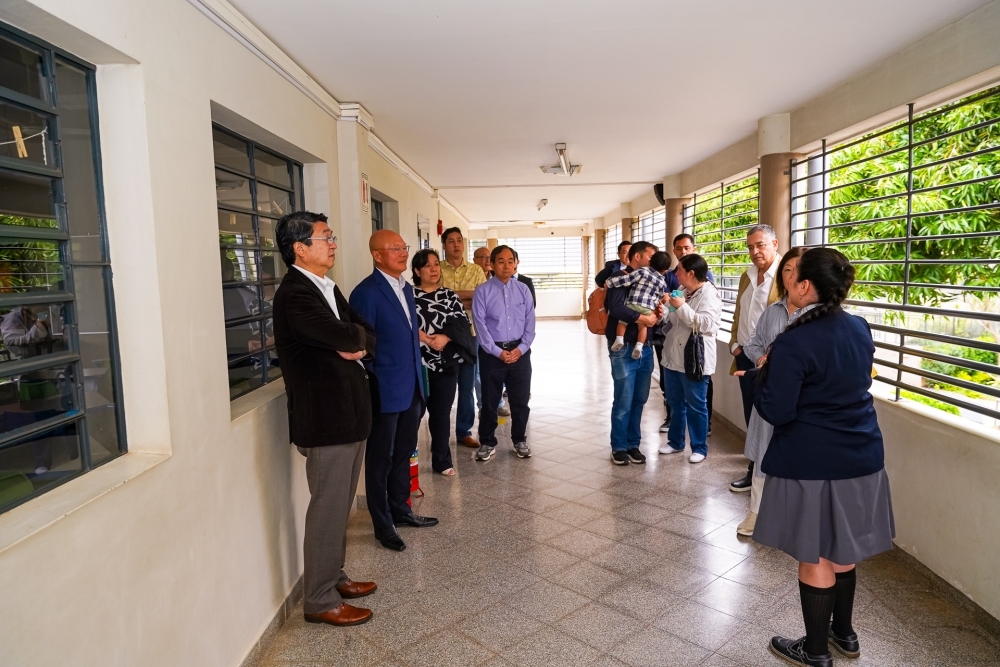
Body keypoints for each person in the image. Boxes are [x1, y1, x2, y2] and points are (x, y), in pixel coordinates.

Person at [743, 248, 894, 667]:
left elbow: (777, 410)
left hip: (811, 462)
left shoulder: (793, 340)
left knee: (815, 557)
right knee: (842, 551)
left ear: (805, 286)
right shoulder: (860, 328)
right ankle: (844, 635)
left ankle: (814, 652)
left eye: (793, 275)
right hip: (862, 456)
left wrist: (760, 376)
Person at [272, 210, 377, 627]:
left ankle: (333, 578)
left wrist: (357, 344)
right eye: (325, 237)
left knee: (341, 507)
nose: (333, 243)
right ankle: (318, 601)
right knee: (328, 510)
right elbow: (346, 335)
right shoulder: (296, 295)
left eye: (331, 236)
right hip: (327, 420)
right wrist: (351, 341)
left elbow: (364, 331)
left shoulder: (327, 287)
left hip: (348, 415)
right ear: (300, 248)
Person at [350, 230, 439, 553]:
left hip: (411, 386)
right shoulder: (366, 293)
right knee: (380, 458)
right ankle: (382, 522)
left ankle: (401, 510)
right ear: (377, 255)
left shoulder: (405, 288)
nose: (403, 253)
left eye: (404, 247)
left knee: (404, 452)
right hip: (385, 390)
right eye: (395, 249)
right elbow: (364, 346)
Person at [734, 247, 803, 537]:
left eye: (799, 270)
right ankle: (755, 511)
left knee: (796, 455)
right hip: (770, 393)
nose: (792, 276)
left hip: (801, 400)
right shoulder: (772, 312)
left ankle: (795, 515)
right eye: (787, 270)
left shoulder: (817, 313)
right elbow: (754, 344)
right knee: (763, 452)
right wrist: (760, 357)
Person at [411, 249, 477, 476]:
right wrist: (420, 335)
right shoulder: (407, 295)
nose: (433, 269)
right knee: (413, 415)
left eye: (435, 265)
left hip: (445, 363)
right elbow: (399, 322)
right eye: (427, 266)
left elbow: (462, 326)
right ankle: (407, 463)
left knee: (440, 414)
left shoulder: (449, 296)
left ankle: (442, 460)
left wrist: (445, 337)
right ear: (417, 270)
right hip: (416, 366)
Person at [728, 224, 782, 493]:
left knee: (770, 417)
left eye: (760, 245)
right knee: (752, 415)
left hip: (770, 362)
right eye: (750, 246)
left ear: (775, 243)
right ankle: (754, 470)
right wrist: (735, 345)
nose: (755, 251)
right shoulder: (747, 276)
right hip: (745, 357)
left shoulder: (786, 276)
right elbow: (740, 314)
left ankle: (771, 475)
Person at [471, 245, 536, 461]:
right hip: (492, 354)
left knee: (520, 400)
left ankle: (519, 439)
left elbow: (530, 324)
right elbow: (480, 326)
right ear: (492, 264)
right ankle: (487, 442)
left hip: (520, 352)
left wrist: (520, 349)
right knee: (489, 402)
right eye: (501, 261)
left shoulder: (523, 290)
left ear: (516, 263)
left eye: (510, 261)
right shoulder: (483, 291)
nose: (506, 265)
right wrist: (498, 352)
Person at [657, 253, 722, 463]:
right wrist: (663, 311)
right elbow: (673, 321)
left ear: (691, 273)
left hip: (695, 359)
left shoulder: (709, 294)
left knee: (696, 405)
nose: (675, 273)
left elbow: (706, 324)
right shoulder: (684, 291)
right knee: (675, 402)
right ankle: (675, 442)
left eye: (679, 270)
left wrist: (682, 306)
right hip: (673, 357)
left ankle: (699, 448)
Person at [604, 241, 659, 465]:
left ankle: (633, 444)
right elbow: (616, 309)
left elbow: (657, 303)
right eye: (650, 257)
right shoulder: (622, 278)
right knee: (624, 399)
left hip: (645, 347)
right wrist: (642, 318)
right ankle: (618, 446)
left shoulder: (652, 278)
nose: (653, 262)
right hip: (624, 348)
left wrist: (658, 313)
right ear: (637, 257)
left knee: (639, 399)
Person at [439, 227, 487, 449]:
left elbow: (481, 299)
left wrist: (451, 298)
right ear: (444, 245)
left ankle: (464, 431)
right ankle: (439, 432)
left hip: (470, 335)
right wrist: (466, 297)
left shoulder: (476, 269)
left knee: (467, 385)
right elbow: (435, 298)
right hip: (443, 335)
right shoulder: (436, 268)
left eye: (459, 240)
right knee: (443, 385)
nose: (456, 245)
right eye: (451, 241)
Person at [604, 251, 672, 359]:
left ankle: (619, 339)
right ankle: (639, 346)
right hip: (648, 308)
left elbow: (625, 281)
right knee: (643, 326)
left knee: (622, 322)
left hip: (633, 303)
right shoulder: (663, 282)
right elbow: (660, 297)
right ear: (665, 271)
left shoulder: (642, 271)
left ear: (650, 262)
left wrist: (609, 283)